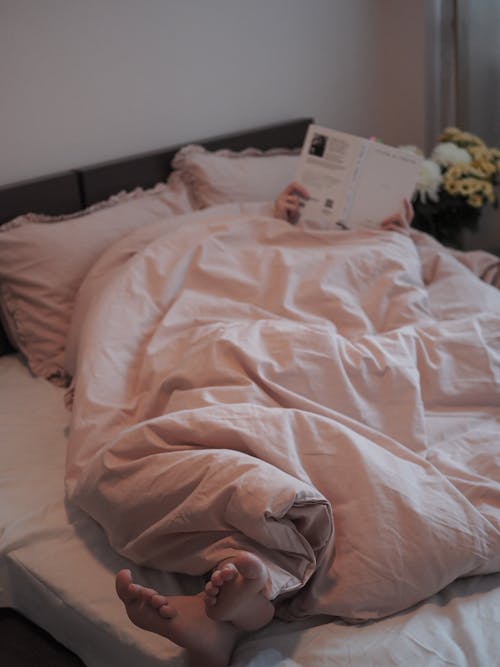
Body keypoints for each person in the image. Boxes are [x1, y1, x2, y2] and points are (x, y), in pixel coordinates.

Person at [115, 183, 414, 667]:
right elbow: (192, 269)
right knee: (220, 383)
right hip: (234, 325)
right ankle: (244, 600)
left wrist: (393, 238)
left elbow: (396, 290)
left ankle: (238, 600)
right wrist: (264, 211)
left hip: (335, 310)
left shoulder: (371, 232)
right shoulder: (237, 223)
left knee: (287, 431)